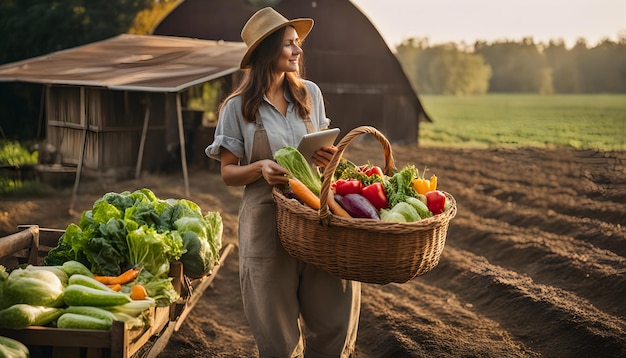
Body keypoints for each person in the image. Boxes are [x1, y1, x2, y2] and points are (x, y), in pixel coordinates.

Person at [205, 7, 361, 358]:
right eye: (290, 44)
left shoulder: (310, 95)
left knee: (335, 312)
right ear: (267, 50)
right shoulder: (237, 107)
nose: (298, 51)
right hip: (266, 221)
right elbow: (228, 172)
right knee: (275, 327)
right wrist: (260, 167)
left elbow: (323, 149)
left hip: (318, 216)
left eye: (298, 43)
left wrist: (328, 157)